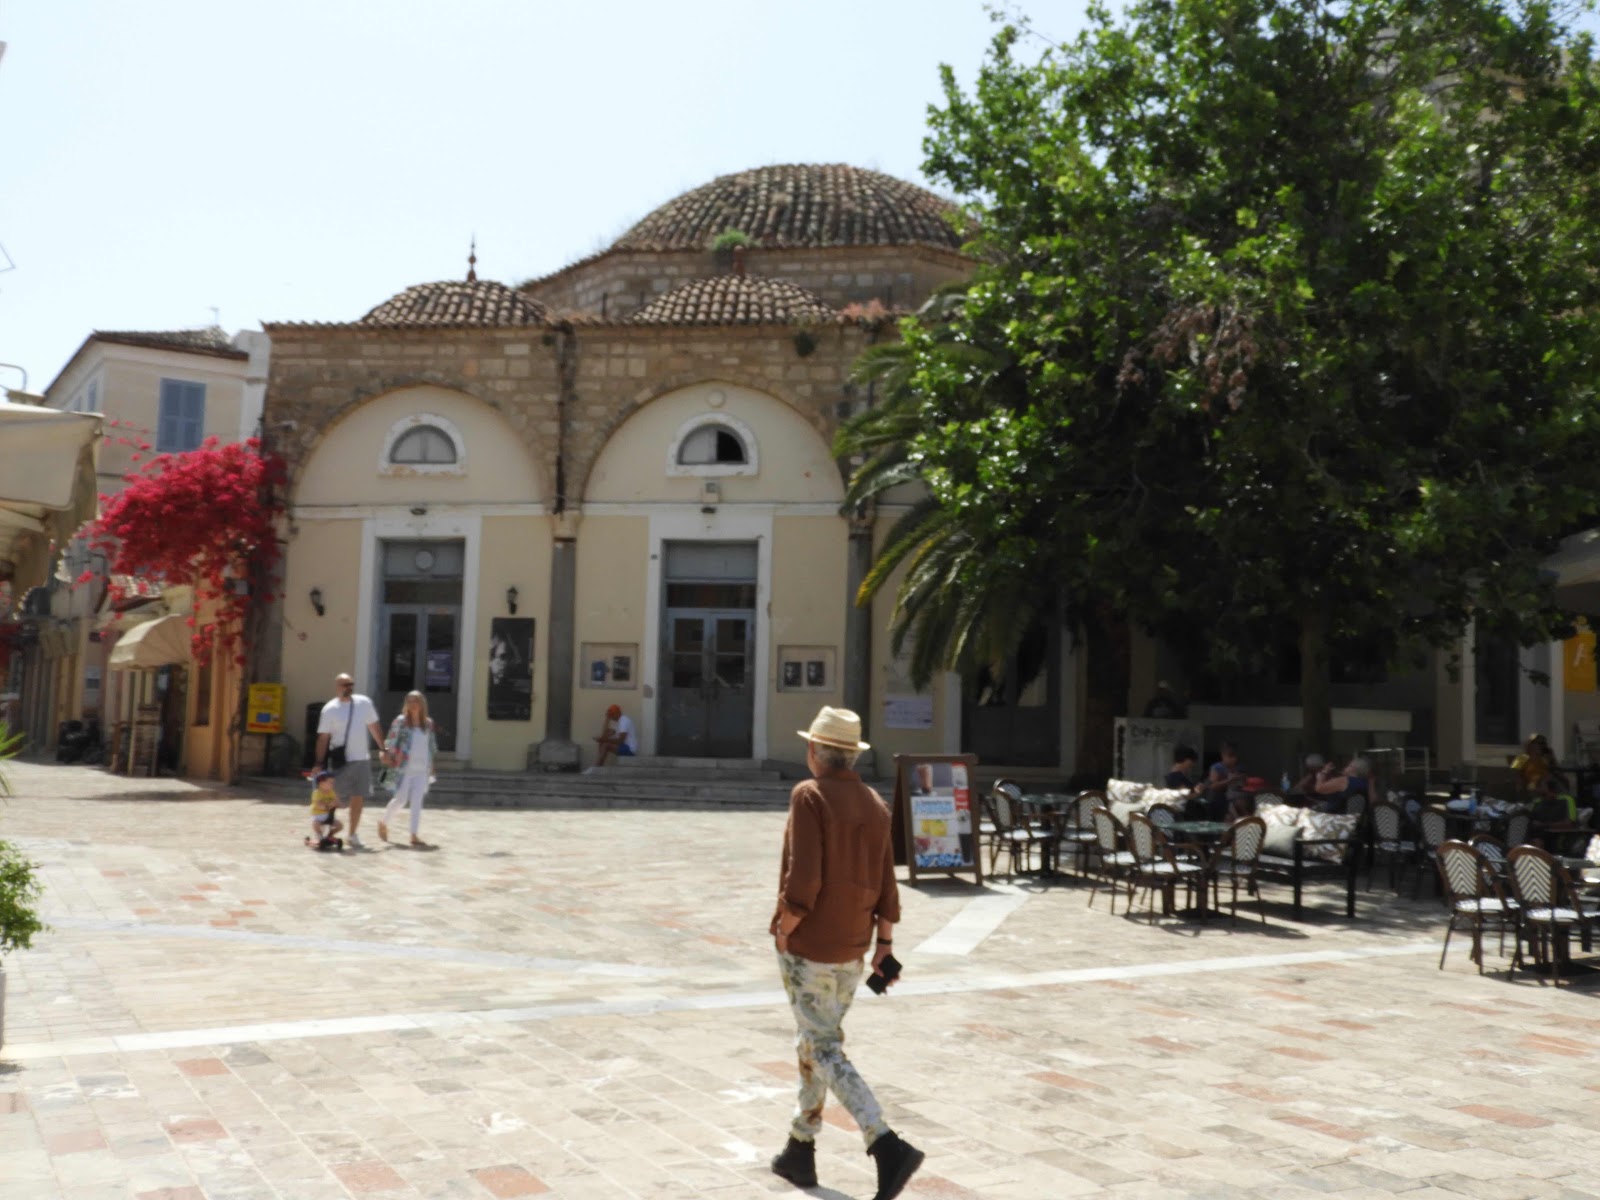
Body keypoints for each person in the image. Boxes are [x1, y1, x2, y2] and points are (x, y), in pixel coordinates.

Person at [768, 706, 924, 1200]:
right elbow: (886, 882)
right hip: (854, 946)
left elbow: (804, 879)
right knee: (815, 1039)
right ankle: (800, 1147)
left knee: (822, 1045)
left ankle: (885, 1143)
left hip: (811, 942)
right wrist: (885, 946)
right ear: (851, 755)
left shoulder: (808, 795)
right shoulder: (875, 803)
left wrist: (784, 927)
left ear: (814, 750)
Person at [314, 673, 384, 850]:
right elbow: (323, 737)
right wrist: (318, 762)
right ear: (337, 687)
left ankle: (352, 834)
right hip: (341, 761)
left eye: (351, 684)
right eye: (344, 684)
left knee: (358, 797)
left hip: (361, 758)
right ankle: (325, 830)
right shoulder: (330, 709)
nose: (348, 687)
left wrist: (383, 748)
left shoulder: (364, 703)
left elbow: (374, 726)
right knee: (334, 798)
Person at [380, 690, 438, 848]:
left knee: (417, 801)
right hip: (404, 767)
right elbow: (391, 740)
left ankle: (413, 834)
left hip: (421, 769)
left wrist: (432, 766)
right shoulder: (401, 721)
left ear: (422, 704)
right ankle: (383, 822)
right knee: (401, 799)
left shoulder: (428, 723)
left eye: (416, 701)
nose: (413, 704)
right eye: (410, 701)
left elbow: (430, 746)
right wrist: (386, 754)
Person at [1204, 742, 1245, 821]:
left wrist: (1242, 779)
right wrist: (1229, 780)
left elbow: (1243, 784)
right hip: (1218, 799)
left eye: (1235, 757)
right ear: (1223, 756)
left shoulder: (1239, 768)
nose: (1233, 759)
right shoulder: (1217, 767)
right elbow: (1213, 786)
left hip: (1235, 799)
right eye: (1230, 757)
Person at [1164, 745, 1208, 820]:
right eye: (1192, 761)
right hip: (1184, 814)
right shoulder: (1175, 776)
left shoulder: (1177, 775)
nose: (1193, 765)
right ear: (1187, 760)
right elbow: (1185, 796)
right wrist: (1199, 792)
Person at [305, 769, 343, 851]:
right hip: (318, 815)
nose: (332, 785)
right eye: (330, 783)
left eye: (333, 783)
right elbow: (319, 805)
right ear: (321, 783)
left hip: (329, 816)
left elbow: (337, 802)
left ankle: (330, 835)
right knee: (316, 824)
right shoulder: (316, 793)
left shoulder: (331, 792)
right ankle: (319, 835)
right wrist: (329, 805)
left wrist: (337, 803)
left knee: (340, 825)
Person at [1511, 733, 1557, 797]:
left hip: (1545, 783)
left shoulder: (1544, 758)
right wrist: (1520, 783)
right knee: (1535, 787)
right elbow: (1514, 773)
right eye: (1539, 743)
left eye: (1543, 744)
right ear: (1531, 745)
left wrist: (1551, 757)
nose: (1542, 746)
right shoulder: (1521, 758)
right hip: (1530, 784)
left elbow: (1553, 770)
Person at [591, 703, 636, 768]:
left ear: (617, 713)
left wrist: (603, 739)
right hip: (623, 746)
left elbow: (620, 741)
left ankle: (597, 767)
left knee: (606, 745)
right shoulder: (618, 723)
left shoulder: (624, 721)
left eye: (612, 715)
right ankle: (599, 765)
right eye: (610, 715)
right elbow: (604, 734)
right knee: (602, 742)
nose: (611, 717)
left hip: (629, 749)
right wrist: (607, 719)